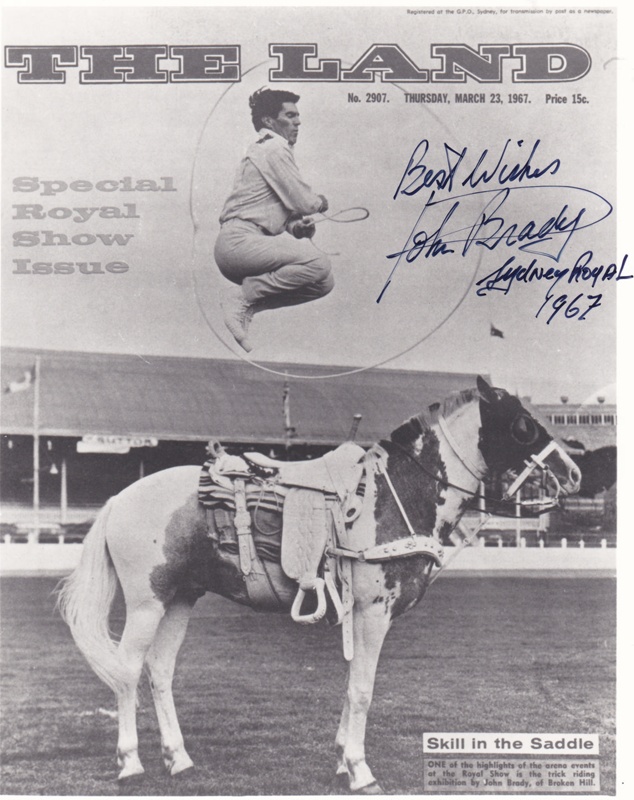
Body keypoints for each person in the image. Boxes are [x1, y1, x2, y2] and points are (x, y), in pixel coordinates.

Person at [214, 88, 333, 352]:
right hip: (239, 244)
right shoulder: (274, 148)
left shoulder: (265, 151)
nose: (297, 122)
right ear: (269, 121)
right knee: (318, 262)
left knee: (324, 283)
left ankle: (247, 305)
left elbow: (275, 209)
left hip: (246, 246)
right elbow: (305, 202)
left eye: (298, 116)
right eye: (290, 115)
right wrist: (320, 202)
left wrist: (296, 227)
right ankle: (241, 297)